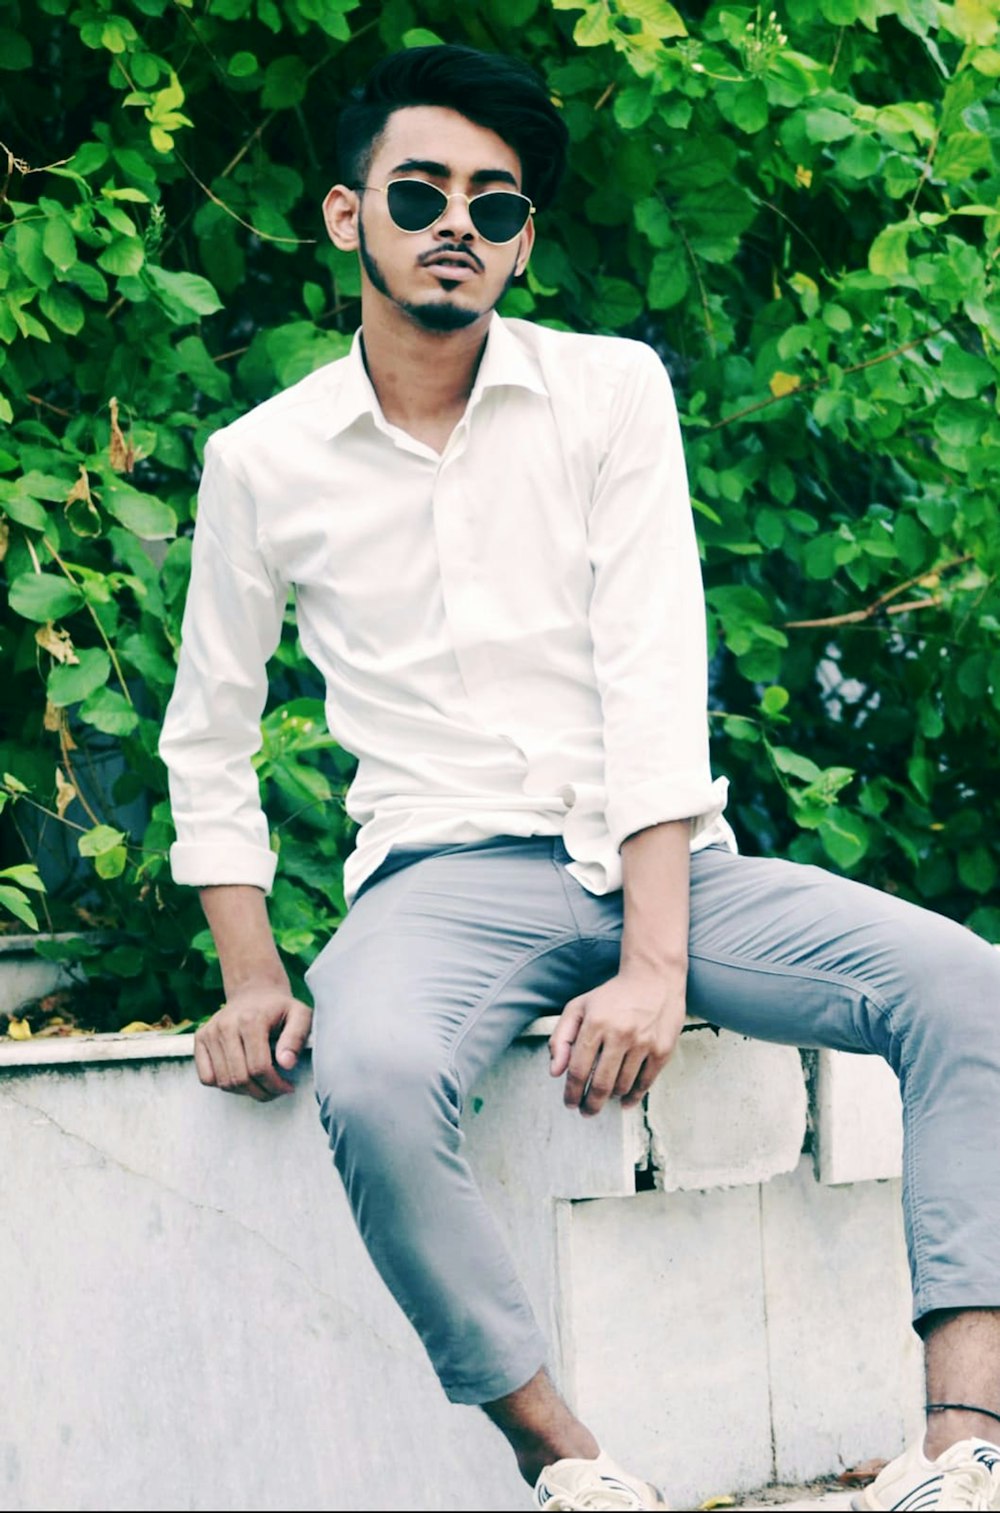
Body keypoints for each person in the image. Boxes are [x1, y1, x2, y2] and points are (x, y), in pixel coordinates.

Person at [159, 43, 1000, 1513]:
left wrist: (656, 960)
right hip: (441, 876)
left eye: (494, 204)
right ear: (347, 215)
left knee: (965, 985)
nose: (457, 225)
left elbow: (652, 671)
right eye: (418, 191)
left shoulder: (610, 391)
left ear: (524, 239)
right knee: (367, 1068)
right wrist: (249, 971)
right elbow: (208, 732)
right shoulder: (262, 459)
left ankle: (962, 1443)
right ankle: (574, 1465)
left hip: (669, 859)